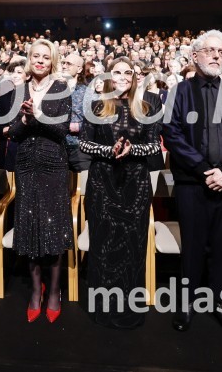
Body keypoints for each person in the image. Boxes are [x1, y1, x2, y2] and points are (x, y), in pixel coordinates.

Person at [162, 31, 222, 335]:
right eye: (210, 51)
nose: (217, 56)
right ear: (195, 56)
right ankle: (187, 304)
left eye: (221, 51)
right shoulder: (178, 92)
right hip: (193, 183)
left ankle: (220, 305)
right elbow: (172, 134)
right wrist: (206, 170)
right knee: (191, 246)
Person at [78, 57, 161, 329]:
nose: (123, 77)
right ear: (109, 76)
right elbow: (85, 144)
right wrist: (109, 151)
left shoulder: (149, 104)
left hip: (136, 184)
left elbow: (153, 148)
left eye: (128, 72)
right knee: (102, 245)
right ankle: (103, 310)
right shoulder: (96, 104)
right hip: (102, 183)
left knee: (133, 247)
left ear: (135, 76)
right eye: (117, 72)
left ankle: (129, 310)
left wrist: (132, 150)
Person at [6, 39, 72, 323]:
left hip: (53, 165)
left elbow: (61, 130)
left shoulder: (61, 89)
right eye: (36, 56)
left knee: (53, 229)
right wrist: (23, 118)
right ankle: (36, 291)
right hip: (26, 166)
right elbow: (10, 133)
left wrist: (38, 115)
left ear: (52, 60)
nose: (41, 60)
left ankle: (54, 291)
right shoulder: (18, 89)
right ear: (29, 59)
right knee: (30, 228)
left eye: (46, 57)